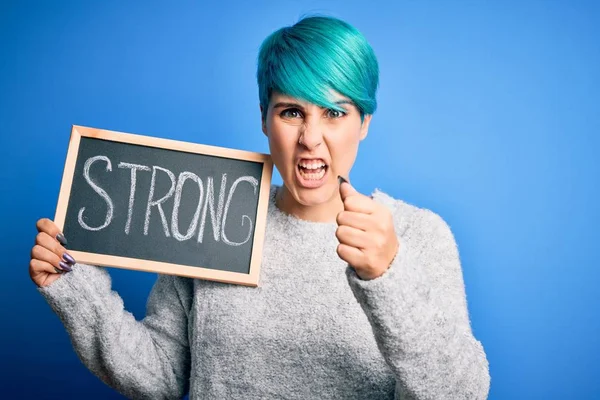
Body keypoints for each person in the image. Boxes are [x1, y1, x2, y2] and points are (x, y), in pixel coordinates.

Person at [30, 15, 490, 399]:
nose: (311, 138)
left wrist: (388, 277)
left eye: (335, 112)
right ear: (264, 118)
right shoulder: (212, 217)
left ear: (364, 122)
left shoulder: (416, 235)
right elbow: (163, 378)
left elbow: (462, 392)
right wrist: (75, 288)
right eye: (292, 112)